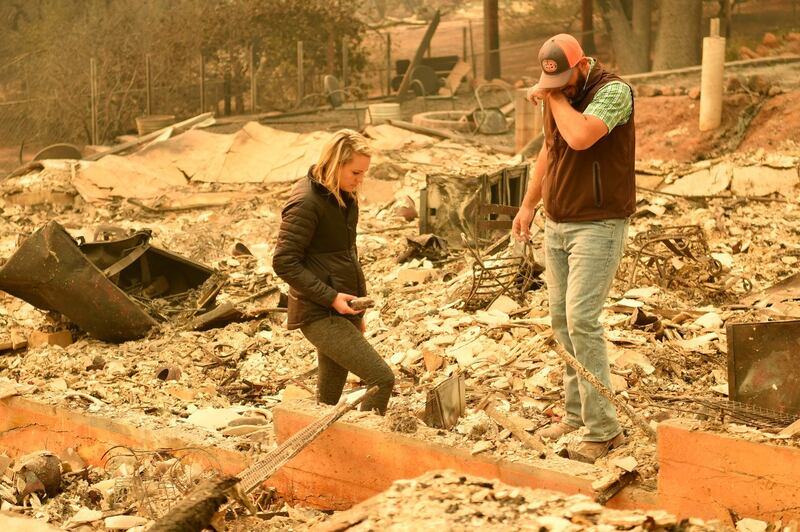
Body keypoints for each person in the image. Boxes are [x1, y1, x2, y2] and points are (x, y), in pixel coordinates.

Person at [512, 34, 635, 463]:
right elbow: (550, 150)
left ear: (581, 65)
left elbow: (581, 137)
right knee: (561, 320)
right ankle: (576, 413)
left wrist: (551, 97)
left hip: (598, 225)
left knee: (582, 319)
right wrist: (528, 205)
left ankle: (604, 431)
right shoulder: (557, 99)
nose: (560, 88)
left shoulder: (614, 92)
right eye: (552, 82)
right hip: (559, 223)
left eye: (565, 80)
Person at [273, 129, 395, 414]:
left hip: (340, 310)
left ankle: (319, 447)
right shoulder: (306, 202)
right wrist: (330, 298)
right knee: (382, 379)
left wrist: (355, 315)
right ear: (335, 163)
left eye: (364, 173)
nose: (360, 180)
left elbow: (345, 257)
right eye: (355, 172)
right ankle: (368, 450)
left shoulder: (344, 196)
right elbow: (284, 262)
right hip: (318, 312)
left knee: (328, 397)